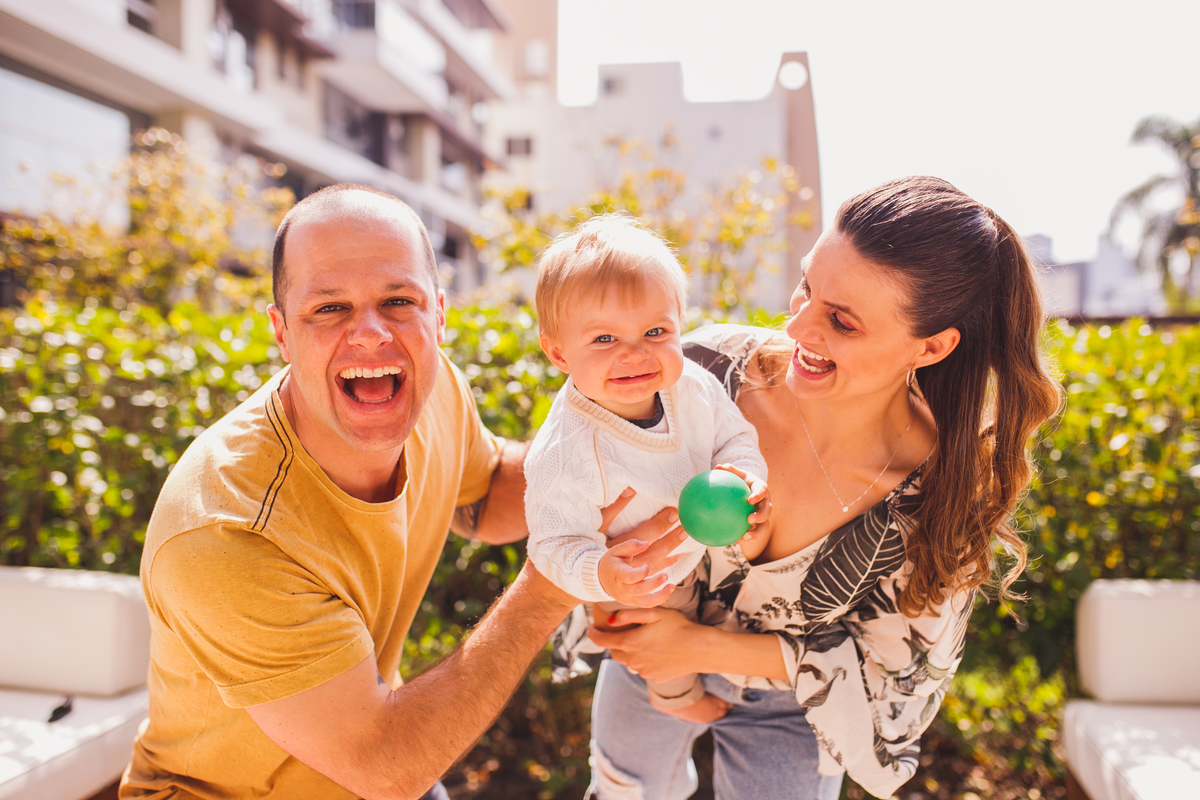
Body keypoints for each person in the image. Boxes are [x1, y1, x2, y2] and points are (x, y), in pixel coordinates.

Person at [119, 185, 672, 800]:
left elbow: (486, 498)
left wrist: (614, 438)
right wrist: (551, 587)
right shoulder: (226, 532)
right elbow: (387, 767)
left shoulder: (433, 392)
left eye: (397, 300)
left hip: (369, 760)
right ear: (280, 330)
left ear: (439, 312)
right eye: (329, 309)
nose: (371, 333)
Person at [585, 176, 1063, 800]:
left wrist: (694, 647)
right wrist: (601, 579)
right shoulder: (700, 371)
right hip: (645, 652)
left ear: (932, 346)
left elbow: (892, 677)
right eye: (807, 285)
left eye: (841, 320)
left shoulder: (939, 496)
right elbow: (585, 465)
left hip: (795, 705)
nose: (798, 325)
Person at [523, 214, 770, 722]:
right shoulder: (568, 451)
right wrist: (601, 573)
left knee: (718, 615)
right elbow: (551, 544)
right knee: (647, 633)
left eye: (655, 331)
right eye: (604, 340)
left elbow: (733, 437)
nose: (635, 353)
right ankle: (678, 700)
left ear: (680, 322)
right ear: (558, 353)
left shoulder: (692, 386)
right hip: (642, 578)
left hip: (708, 555)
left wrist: (743, 473)